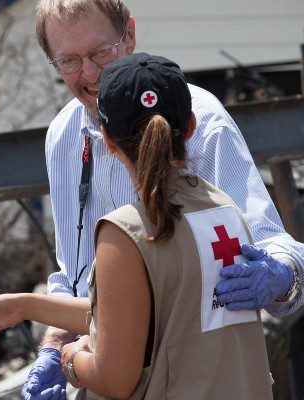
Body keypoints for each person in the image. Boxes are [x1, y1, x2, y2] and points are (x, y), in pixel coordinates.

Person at [28, 0, 304, 398]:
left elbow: (271, 244)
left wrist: (282, 274)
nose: (88, 74)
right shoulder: (62, 135)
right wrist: (53, 348)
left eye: (99, 52)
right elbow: (72, 275)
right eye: (69, 61)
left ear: (130, 36)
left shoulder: (201, 118)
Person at [0, 52, 274, 399]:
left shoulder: (125, 233)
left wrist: (71, 358)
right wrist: (19, 306)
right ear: (191, 126)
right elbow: (137, 311)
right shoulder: (226, 210)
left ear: (108, 139)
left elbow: (116, 378)